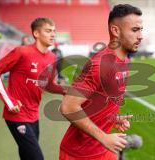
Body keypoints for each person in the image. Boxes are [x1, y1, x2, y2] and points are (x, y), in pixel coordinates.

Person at [59, 4, 143, 160]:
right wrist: (104, 137)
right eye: (134, 30)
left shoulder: (123, 60)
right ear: (116, 31)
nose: (140, 36)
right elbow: (68, 107)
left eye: (141, 30)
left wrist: (111, 118)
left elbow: (97, 102)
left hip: (102, 151)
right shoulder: (101, 64)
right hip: (79, 154)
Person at [0, 17, 66, 160]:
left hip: (34, 116)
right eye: (48, 31)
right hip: (16, 115)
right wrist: (9, 102)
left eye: (54, 31)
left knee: (27, 155)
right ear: (36, 34)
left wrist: (66, 90)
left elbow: (48, 84)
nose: (53, 34)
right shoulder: (22, 52)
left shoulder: (52, 58)